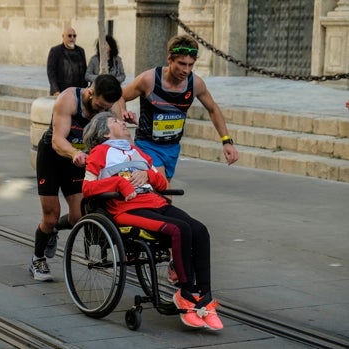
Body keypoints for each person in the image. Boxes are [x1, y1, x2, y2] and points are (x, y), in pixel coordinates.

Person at [82, 111, 223, 331]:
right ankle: (186, 294)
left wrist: (148, 176)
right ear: (105, 132)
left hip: (155, 202)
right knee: (179, 229)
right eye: (116, 122)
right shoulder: (100, 152)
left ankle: (205, 296)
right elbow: (88, 188)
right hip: (126, 208)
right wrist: (119, 184)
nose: (123, 123)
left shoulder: (137, 151)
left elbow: (162, 184)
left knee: (200, 230)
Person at [30, 74, 122, 282]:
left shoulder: (110, 105)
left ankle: (53, 230)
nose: (101, 111)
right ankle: (38, 257)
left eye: (105, 108)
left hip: (81, 159)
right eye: (98, 106)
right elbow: (57, 139)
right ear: (90, 92)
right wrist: (74, 153)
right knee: (51, 215)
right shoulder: (69, 99)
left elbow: (118, 133)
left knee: (77, 217)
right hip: (54, 156)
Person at [120, 34, 238, 184]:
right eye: (182, 64)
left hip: (172, 148)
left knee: (161, 197)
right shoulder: (149, 80)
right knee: (164, 190)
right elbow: (120, 96)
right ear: (170, 59)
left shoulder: (195, 84)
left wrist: (226, 141)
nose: (186, 70)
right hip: (147, 145)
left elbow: (213, 109)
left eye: (190, 65)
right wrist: (123, 111)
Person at [46, 27, 87, 96]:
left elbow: (84, 70)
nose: (72, 38)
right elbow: (51, 72)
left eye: (74, 36)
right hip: (61, 91)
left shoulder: (80, 51)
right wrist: (55, 90)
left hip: (78, 91)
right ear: (63, 37)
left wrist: (84, 89)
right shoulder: (55, 51)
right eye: (69, 36)